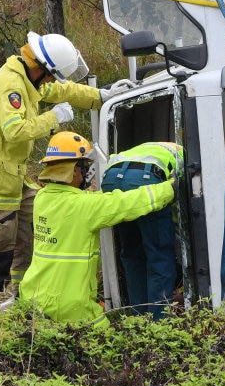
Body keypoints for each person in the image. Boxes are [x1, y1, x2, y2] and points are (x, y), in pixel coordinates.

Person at [0, 31, 130, 311]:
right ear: (42, 69)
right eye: (52, 76)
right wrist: (53, 117)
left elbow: (65, 90)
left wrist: (102, 96)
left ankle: (24, 301)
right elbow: (14, 131)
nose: (51, 83)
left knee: (28, 234)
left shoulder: (29, 78)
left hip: (12, 178)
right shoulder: (10, 87)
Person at [18, 132, 175, 324]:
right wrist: (170, 189)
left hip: (33, 297)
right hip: (69, 306)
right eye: (85, 167)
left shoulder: (42, 198)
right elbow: (126, 203)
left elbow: (84, 204)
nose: (88, 173)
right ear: (74, 171)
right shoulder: (83, 207)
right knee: (105, 338)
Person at [105, 142, 184, 319]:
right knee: (159, 255)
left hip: (110, 179)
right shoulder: (187, 154)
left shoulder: (147, 148)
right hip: (147, 179)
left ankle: (138, 318)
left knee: (132, 254)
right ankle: (158, 323)